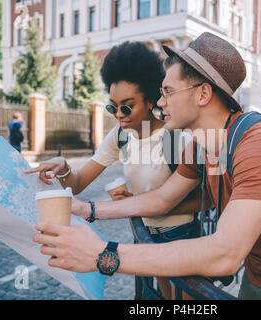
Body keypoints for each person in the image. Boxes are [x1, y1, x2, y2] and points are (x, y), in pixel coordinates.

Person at [32, 32, 261, 300]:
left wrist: (104, 254)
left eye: (168, 91)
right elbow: (163, 198)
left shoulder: (260, 144)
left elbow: (225, 255)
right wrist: (88, 210)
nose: (160, 102)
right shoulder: (202, 142)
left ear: (204, 94)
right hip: (260, 271)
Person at [25, 41, 202, 300]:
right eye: (112, 106)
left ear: (151, 99)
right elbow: (77, 184)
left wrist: (146, 206)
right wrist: (63, 168)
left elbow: (203, 201)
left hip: (180, 235)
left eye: (127, 106)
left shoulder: (178, 137)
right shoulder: (120, 136)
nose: (119, 114)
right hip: (145, 234)